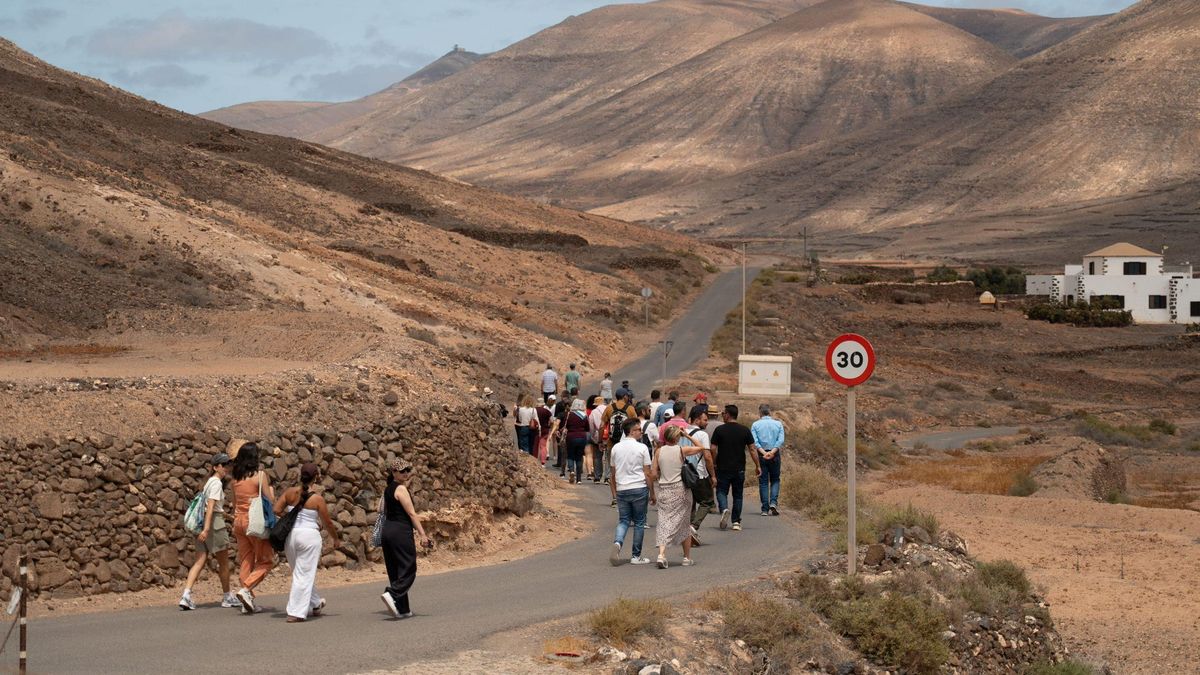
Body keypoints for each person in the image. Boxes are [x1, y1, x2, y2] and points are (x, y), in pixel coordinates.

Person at [274, 463, 341, 622]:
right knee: (303, 575)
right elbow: (327, 523)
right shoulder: (317, 499)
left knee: (299, 573)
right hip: (309, 537)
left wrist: (290, 517)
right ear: (316, 477)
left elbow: (276, 509)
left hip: (291, 537)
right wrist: (335, 538)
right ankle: (295, 612)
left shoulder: (290, 492)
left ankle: (315, 603)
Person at [179, 453, 235, 611]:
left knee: (199, 561)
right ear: (215, 467)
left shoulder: (209, 482)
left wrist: (228, 516)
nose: (226, 468)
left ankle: (186, 595)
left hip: (202, 522)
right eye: (223, 465)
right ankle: (227, 596)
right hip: (213, 525)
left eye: (227, 465)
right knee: (224, 563)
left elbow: (212, 507)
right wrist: (207, 529)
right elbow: (210, 507)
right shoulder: (216, 483)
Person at [380, 458, 433, 619]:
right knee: (409, 568)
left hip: (387, 531)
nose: (406, 473)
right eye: (402, 471)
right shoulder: (401, 488)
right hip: (400, 532)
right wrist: (423, 535)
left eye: (407, 470)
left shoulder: (388, 489)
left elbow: (380, 510)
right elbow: (411, 513)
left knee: (396, 570)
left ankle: (402, 608)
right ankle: (392, 593)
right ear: (394, 472)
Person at [230, 442, 276, 613]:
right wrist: (271, 490)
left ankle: (247, 601)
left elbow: (234, 502)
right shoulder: (260, 476)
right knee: (266, 560)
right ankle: (246, 589)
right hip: (254, 521)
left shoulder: (235, 479)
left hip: (238, 521)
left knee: (246, 560)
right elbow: (269, 500)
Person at [649, 426, 703, 568]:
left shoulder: (658, 452)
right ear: (677, 437)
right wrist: (688, 435)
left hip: (664, 490)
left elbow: (653, 473)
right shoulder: (681, 450)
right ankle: (686, 558)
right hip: (680, 489)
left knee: (664, 522)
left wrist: (653, 490)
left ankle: (661, 554)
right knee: (684, 523)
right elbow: (701, 447)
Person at [608, 419, 655, 566]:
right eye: (639, 429)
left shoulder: (616, 448)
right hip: (639, 487)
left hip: (622, 488)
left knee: (623, 521)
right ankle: (636, 556)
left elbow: (613, 473)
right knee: (639, 522)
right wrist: (652, 492)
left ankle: (618, 543)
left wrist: (615, 491)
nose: (641, 432)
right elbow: (647, 473)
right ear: (632, 431)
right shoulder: (642, 448)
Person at [711, 405, 761, 532]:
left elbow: (713, 448)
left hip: (723, 467)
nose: (722, 415)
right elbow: (752, 449)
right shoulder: (745, 430)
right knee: (738, 495)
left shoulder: (719, 430)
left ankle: (724, 509)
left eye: (723, 413)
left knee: (721, 491)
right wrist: (758, 465)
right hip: (739, 468)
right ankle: (736, 522)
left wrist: (714, 462)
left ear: (728, 414)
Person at [682, 407, 716, 545]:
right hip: (699, 473)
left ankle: (689, 535)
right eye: (705, 420)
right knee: (707, 501)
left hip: (684, 473)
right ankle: (693, 526)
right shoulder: (702, 435)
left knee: (691, 503)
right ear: (697, 420)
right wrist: (713, 475)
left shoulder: (682, 432)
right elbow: (707, 456)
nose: (707, 422)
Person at [751, 404, 786, 516]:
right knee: (775, 479)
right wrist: (772, 452)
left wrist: (764, 453)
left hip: (762, 455)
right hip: (774, 455)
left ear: (760, 412)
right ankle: (773, 503)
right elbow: (780, 440)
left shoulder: (755, 425)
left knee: (763, 482)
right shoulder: (778, 424)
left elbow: (755, 442)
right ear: (769, 412)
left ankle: (764, 509)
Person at [600, 388, 637, 491]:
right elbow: (636, 425)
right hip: (626, 443)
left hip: (612, 442)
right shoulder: (630, 409)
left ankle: (608, 478)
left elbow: (602, 426)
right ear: (625, 396)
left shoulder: (609, 408)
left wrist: (600, 441)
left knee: (611, 463)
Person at [564, 398, 590, 484]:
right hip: (582, 437)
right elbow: (587, 428)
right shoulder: (584, 415)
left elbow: (566, 426)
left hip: (571, 437)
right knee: (579, 457)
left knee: (570, 455)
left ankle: (571, 471)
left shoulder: (569, 415)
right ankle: (579, 479)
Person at [588, 394, 608, 483]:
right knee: (608, 456)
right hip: (608, 435)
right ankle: (607, 477)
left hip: (597, 435)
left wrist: (592, 436)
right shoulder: (609, 409)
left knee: (597, 456)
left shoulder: (593, 412)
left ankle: (597, 477)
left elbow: (591, 425)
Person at [536, 395, 555, 466]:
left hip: (536, 430)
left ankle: (534, 460)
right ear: (543, 404)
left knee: (535, 445)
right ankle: (543, 461)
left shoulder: (534, 410)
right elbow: (552, 421)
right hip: (545, 430)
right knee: (543, 446)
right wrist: (550, 427)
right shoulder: (547, 411)